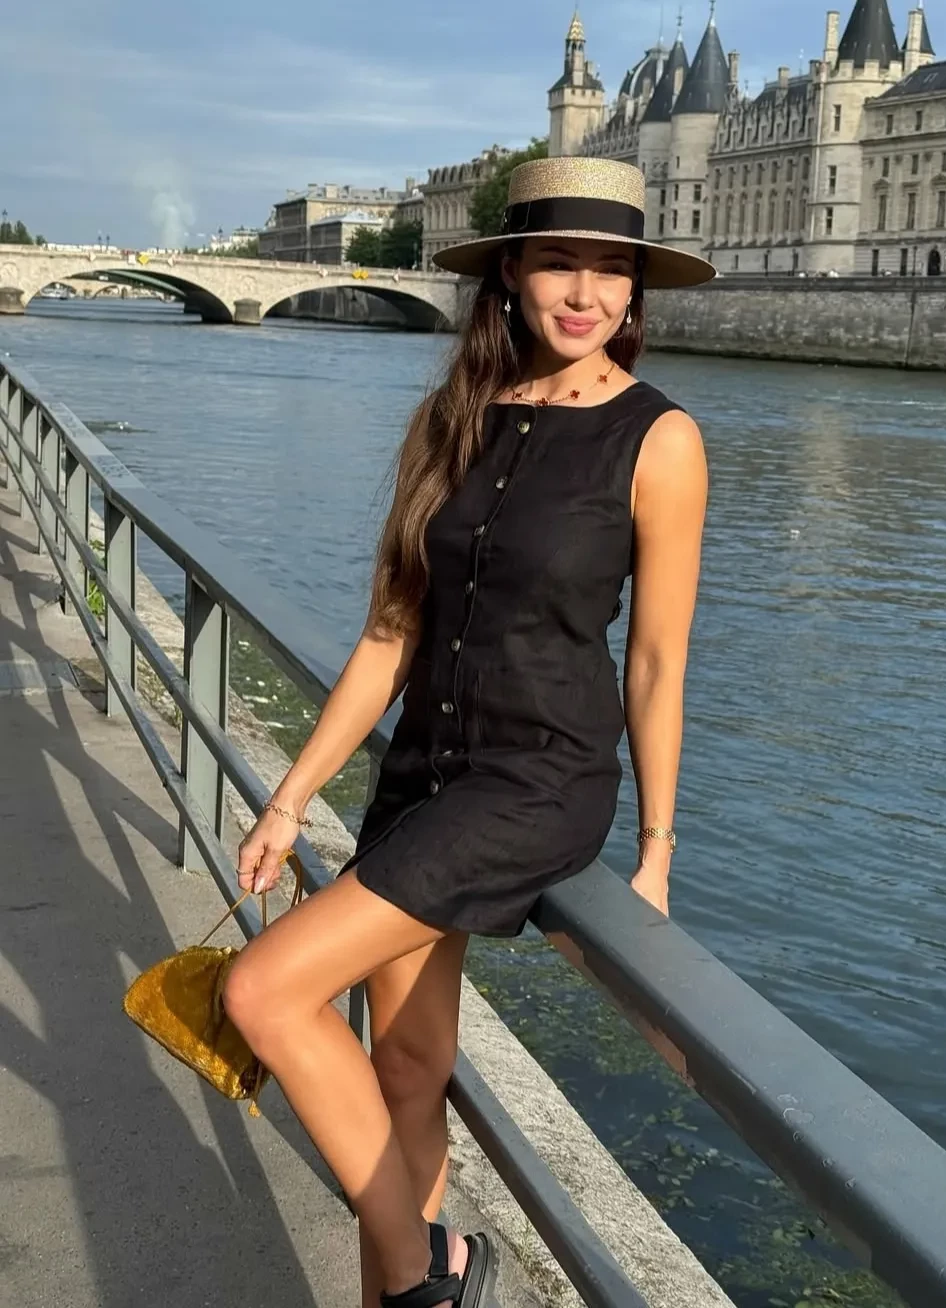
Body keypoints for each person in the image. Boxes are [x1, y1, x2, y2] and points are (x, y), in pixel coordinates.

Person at [223, 157, 713, 1308]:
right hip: (422, 770)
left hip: (536, 782)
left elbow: (655, 663)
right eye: (557, 263)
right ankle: (408, 1285)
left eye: (610, 270)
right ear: (509, 277)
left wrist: (654, 853)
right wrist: (292, 797)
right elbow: (390, 631)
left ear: (635, 292)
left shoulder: (659, 440)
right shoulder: (452, 421)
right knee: (402, 1067)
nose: (583, 293)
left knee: (264, 992)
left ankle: (422, 1267)